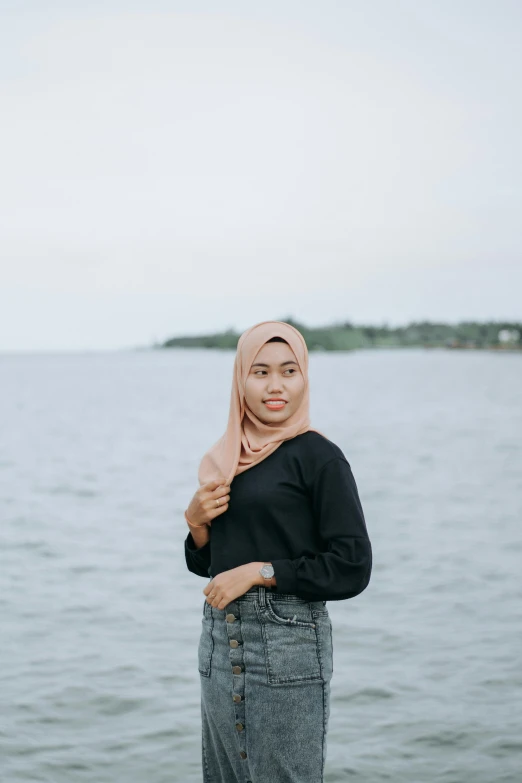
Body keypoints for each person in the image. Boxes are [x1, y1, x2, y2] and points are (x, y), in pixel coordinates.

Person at [183, 320, 372, 783]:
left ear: (304, 377)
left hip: (286, 640)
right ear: (240, 380)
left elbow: (352, 565)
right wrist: (195, 522)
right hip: (221, 641)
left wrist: (260, 572)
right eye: (260, 372)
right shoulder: (228, 457)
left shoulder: (319, 457)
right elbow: (210, 564)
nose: (275, 386)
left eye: (289, 371)